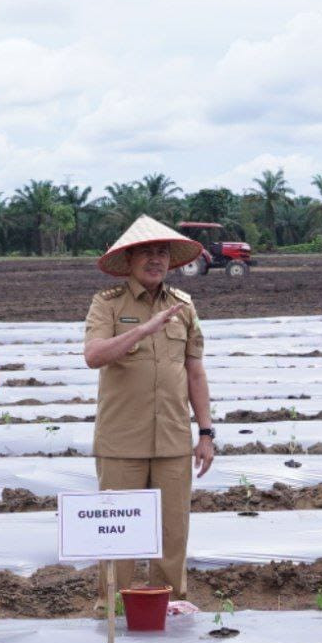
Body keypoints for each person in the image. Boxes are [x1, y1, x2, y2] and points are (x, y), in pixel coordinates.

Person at [84, 215, 214, 604]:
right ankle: (113, 609)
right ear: (129, 260)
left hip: (174, 438)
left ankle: (168, 605)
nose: (155, 260)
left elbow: (195, 372)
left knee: (173, 532)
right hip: (121, 440)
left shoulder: (184, 306)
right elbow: (93, 355)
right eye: (146, 253)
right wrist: (141, 330)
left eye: (162, 252)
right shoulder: (106, 304)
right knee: (118, 531)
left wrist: (205, 432)